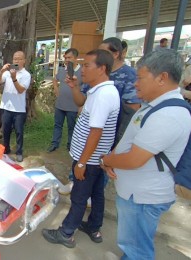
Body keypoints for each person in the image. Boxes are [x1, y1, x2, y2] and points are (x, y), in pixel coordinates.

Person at [101, 50, 191, 260]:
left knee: (138, 248)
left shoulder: (168, 115)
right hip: (137, 193)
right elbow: (129, 142)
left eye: (141, 78)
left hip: (144, 196)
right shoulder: (155, 105)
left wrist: (105, 160)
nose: (135, 83)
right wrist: (112, 158)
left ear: (162, 78)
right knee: (133, 242)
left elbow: (134, 159)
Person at [42, 49, 120, 248]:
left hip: (90, 159)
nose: (82, 69)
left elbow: (96, 132)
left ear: (102, 68)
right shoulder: (98, 90)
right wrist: (75, 87)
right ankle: (94, 227)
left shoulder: (104, 95)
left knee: (79, 197)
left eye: (86, 65)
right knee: (97, 194)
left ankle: (66, 233)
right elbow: (81, 103)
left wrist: (82, 162)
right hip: (95, 159)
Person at [59, 37, 141, 194]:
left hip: (111, 132)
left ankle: (88, 191)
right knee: (83, 161)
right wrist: (75, 88)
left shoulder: (129, 75)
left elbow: (132, 109)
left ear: (115, 54)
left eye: (103, 51)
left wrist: (119, 138)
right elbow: (81, 101)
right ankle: (78, 181)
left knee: (97, 168)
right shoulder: (92, 73)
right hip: (90, 131)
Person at [0, 51, 31, 162]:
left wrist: (14, 78)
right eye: (15, 58)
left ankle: (19, 152)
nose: (16, 61)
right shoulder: (7, 72)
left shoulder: (26, 75)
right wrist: (1, 71)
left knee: (19, 131)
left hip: (19, 109)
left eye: (19, 59)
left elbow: (20, 90)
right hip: (6, 107)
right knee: (6, 130)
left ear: (24, 61)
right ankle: (6, 149)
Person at [47, 48, 82, 152]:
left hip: (73, 105)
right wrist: (56, 90)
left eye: (69, 57)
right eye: (65, 57)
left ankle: (70, 145)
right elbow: (55, 79)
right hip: (60, 104)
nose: (66, 60)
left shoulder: (82, 72)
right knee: (58, 125)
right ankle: (55, 143)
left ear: (76, 58)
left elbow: (86, 89)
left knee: (72, 127)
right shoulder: (63, 70)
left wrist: (81, 105)